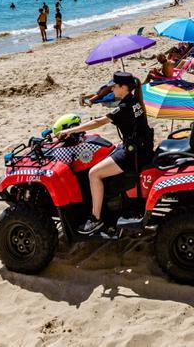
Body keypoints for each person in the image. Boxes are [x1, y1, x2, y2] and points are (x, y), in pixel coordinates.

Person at [58, 72, 154, 235]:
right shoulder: (136, 100)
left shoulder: (123, 107)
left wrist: (71, 130)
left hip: (134, 155)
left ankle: (95, 219)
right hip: (141, 148)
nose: (113, 88)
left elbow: (98, 122)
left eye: (115, 86)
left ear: (123, 88)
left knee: (94, 173)